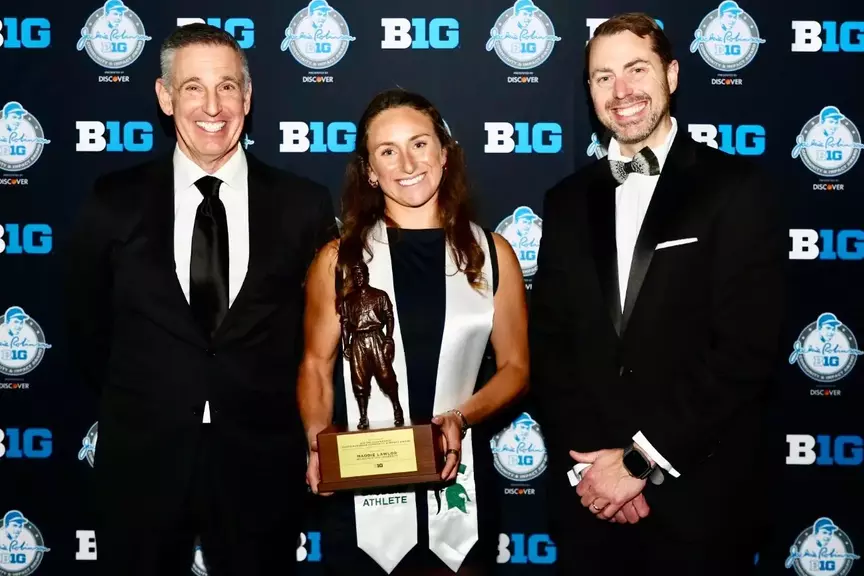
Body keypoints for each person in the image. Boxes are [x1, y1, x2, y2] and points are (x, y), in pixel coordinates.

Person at [65, 23, 336, 576]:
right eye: (193, 87)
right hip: (144, 461)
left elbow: (318, 339)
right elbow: (86, 328)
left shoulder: (302, 205)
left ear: (248, 96)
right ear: (166, 98)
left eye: (228, 87)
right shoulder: (112, 201)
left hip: (261, 462)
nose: (212, 106)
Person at [530, 13, 785, 575]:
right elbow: (550, 347)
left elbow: (746, 350)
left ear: (671, 74)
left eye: (636, 69)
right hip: (591, 503)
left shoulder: (737, 190)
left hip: (702, 503)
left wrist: (639, 462)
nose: (621, 92)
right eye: (602, 77)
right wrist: (595, 472)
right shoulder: (565, 201)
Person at [299, 88, 529, 575]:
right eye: (387, 151)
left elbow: (516, 367)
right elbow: (316, 365)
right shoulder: (338, 261)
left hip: (460, 484)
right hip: (363, 492)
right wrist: (317, 440)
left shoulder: (493, 254)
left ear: (444, 154)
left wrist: (461, 418)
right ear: (369, 170)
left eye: (420, 144)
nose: (407, 162)